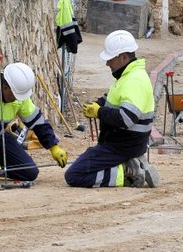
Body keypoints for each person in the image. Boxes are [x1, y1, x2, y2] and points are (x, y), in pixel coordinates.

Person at [65, 30, 159, 188]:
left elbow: (126, 118)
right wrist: (98, 104)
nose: (107, 63)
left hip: (123, 145)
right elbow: (112, 98)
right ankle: (130, 164)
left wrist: (99, 112)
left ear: (123, 58)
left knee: (75, 175)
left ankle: (129, 173)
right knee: (84, 165)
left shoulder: (134, 80)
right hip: (121, 143)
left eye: (110, 59)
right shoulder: (127, 75)